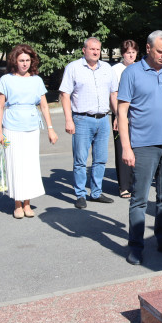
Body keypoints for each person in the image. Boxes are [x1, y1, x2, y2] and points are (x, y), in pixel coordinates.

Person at [117, 30, 162, 265]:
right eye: (160, 51)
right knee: (139, 199)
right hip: (143, 145)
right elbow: (122, 110)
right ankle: (136, 246)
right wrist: (126, 147)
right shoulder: (132, 73)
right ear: (148, 49)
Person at [0, 44, 58, 219]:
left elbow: (44, 106)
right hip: (11, 127)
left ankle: (27, 203)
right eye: (21, 60)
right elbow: (0, 107)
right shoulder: (6, 80)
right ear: (15, 61)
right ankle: (17, 203)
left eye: (27, 60)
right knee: (15, 164)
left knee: (30, 165)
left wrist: (50, 129)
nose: (24, 64)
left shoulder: (36, 80)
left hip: (31, 127)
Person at [59, 37, 117, 209]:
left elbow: (113, 94)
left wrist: (117, 117)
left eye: (98, 49)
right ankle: (80, 194)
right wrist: (68, 120)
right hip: (82, 119)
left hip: (103, 119)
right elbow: (65, 94)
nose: (96, 52)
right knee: (80, 160)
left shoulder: (107, 68)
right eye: (92, 49)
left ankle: (96, 192)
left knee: (101, 159)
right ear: (84, 50)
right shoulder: (74, 68)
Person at [111, 40, 138, 198]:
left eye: (133, 52)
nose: (131, 55)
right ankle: (124, 186)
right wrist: (117, 115)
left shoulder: (140, 68)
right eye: (128, 53)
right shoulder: (116, 70)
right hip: (121, 114)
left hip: (137, 114)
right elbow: (113, 94)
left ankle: (136, 183)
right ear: (123, 54)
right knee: (122, 148)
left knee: (138, 148)